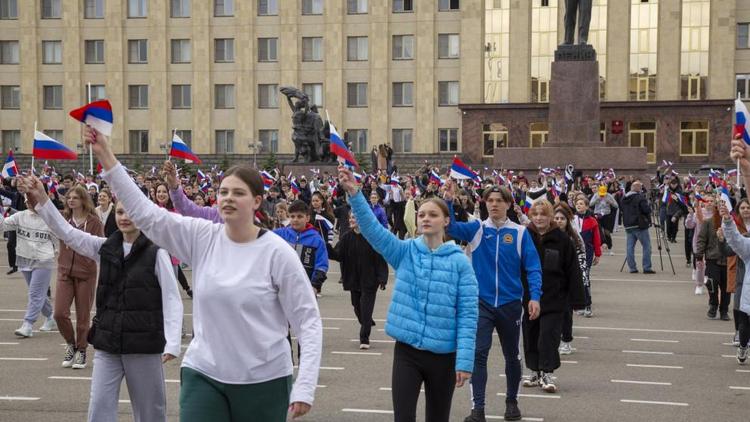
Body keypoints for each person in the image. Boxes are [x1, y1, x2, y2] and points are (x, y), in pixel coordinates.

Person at [85, 126, 322, 421]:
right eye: (223, 192)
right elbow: (147, 214)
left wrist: (306, 385)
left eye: (238, 193)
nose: (228, 198)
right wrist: (106, 156)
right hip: (204, 373)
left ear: (257, 201)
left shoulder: (277, 252)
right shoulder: (202, 236)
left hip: (264, 379)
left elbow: (307, 321)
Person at [22, 176, 183, 422]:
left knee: (151, 412)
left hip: (143, 345)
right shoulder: (105, 247)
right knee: (99, 409)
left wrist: (172, 341)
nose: (124, 217)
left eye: (129, 212)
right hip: (107, 343)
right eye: (119, 212)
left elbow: (172, 298)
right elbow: (67, 233)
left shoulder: (156, 252)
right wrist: (43, 199)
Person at [339, 166, 478, 422]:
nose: (425, 218)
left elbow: (469, 315)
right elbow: (374, 231)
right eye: (422, 214)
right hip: (407, 353)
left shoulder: (460, 263)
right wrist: (355, 194)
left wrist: (465, 361)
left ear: (446, 221)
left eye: (433, 215)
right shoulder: (405, 252)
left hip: (444, 356)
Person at [444, 183, 542, 422]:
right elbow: (452, 228)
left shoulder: (519, 233)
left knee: (511, 355)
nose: (494, 204)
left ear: (509, 204)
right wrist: (448, 201)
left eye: (499, 200)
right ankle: (478, 408)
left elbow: (533, 267)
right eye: (490, 201)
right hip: (482, 303)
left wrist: (535, 298)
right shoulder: (477, 229)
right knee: (479, 354)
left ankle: (512, 402)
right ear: (485, 204)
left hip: (510, 304)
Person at [521, 201, 584, 393]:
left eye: (543, 214)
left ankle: (547, 372)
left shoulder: (562, 240)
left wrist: (578, 299)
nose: (539, 218)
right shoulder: (524, 236)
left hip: (554, 298)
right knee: (530, 336)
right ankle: (534, 371)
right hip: (529, 298)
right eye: (535, 214)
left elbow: (572, 270)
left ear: (550, 217)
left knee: (548, 336)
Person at [55, 185, 104, 369]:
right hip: (65, 272)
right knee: (59, 313)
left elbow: (100, 247)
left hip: (86, 274)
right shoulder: (63, 219)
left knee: (83, 318)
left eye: (75, 197)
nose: (71, 200)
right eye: (69, 197)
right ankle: (71, 343)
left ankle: (81, 350)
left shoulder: (94, 222)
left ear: (83, 200)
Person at [327, 211, 388, 349]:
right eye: (350, 217)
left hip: (370, 281)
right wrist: (327, 248)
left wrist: (382, 278)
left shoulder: (372, 238)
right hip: (353, 280)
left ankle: (364, 338)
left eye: (354, 217)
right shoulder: (346, 237)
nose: (351, 220)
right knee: (357, 306)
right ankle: (366, 321)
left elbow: (380, 259)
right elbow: (338, 255)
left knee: (366, 309)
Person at [0, 192, 58, 337]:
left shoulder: (49, 218)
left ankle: (28, 324)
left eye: (32, 201)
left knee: (34, 292)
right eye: (27, 201)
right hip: (24, 258)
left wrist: (58, 252)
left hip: (44, 259)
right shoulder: (20, 216)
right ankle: (51, 317)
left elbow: (59, 238)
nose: (29, 203)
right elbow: (3, 226)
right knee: (39, 293)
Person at [553, 204, 588, 356]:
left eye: (562, 218)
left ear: (567, 221)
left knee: (566, 314)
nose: (559, 221)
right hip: (551, 282)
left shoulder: (574, 238)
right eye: (556, 218)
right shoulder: (547, 236)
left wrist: (582, 279)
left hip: (567, 282)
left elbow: (581, 259)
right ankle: (554, 339)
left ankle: (566, 341)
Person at [274, 200, 329, 296]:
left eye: (299, 216)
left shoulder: (316, 240)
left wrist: (315, 286)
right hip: (281, 289)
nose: (295, 219)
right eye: (292, 216)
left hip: (306, 291)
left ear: (307, 218)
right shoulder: (279, 235)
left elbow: (322, 266)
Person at [719, 200, 750, 364]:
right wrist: (727, 220)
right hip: (747, 291)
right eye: (743, 208)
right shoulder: (748, 246)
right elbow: (736, 241)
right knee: (744, 325)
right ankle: (743, 346)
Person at [696, 197, 730, 321]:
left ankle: (724, 310)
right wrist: (699, 254)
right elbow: (701, 239)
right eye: (719, 207)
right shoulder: (708, 222)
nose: (722, 210)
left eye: (724, 207)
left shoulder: (732, 224)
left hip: (728, 260)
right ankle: (713, 305)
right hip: (712, 258)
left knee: (726, 287)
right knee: (712, 285)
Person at [573, 196, 601, 317]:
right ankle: (579, 304)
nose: (578, 205)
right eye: (577, 204)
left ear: (586, 206)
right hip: (573, 252)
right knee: (576, 278)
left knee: (585, 277)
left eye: (581, 203)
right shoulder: (571, 219)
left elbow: (596, 238)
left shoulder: (592, 221)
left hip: (587, 252)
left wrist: (598, 254)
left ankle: (587, 305)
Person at [621, 180, 655, 274]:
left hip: (628, 225)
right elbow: (646, 210)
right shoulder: (640, 198)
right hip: (639, 225)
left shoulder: (624, 198)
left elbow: (622, 209)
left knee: (630, 247)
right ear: (639, 189)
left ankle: (632, 268)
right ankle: (646, 267)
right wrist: (649, 205)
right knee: (647, 246)